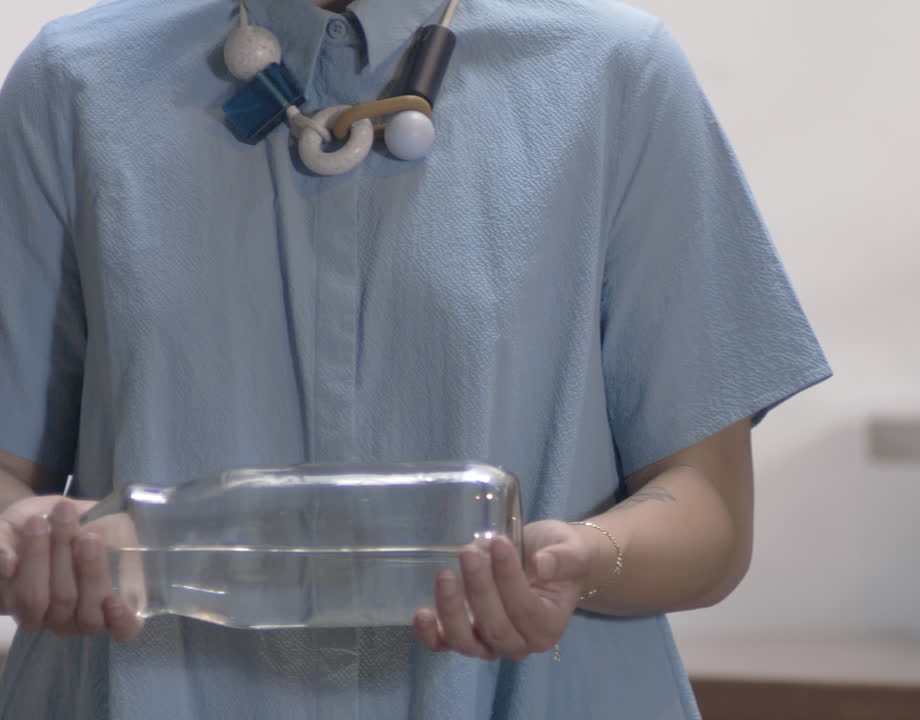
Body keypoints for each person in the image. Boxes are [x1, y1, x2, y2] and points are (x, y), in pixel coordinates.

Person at [0, 0, 830, 717]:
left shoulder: (617, 74)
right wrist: (23, 544)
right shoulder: (74, 83)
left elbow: (709, 517)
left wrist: (581, 561)